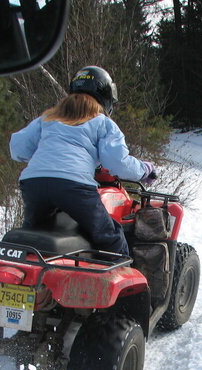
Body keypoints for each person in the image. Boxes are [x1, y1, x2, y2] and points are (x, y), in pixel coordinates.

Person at [9, 66, 154, 256]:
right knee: (110, 237)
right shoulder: (103, 122)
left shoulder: (48, 118)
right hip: (74, 187)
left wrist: (47, 155)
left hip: (34, 183)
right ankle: (128, 284)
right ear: (106, 95)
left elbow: (17, 149)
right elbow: (117, 163)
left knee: (31, 237)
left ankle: (20, 278)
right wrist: (145, 170)